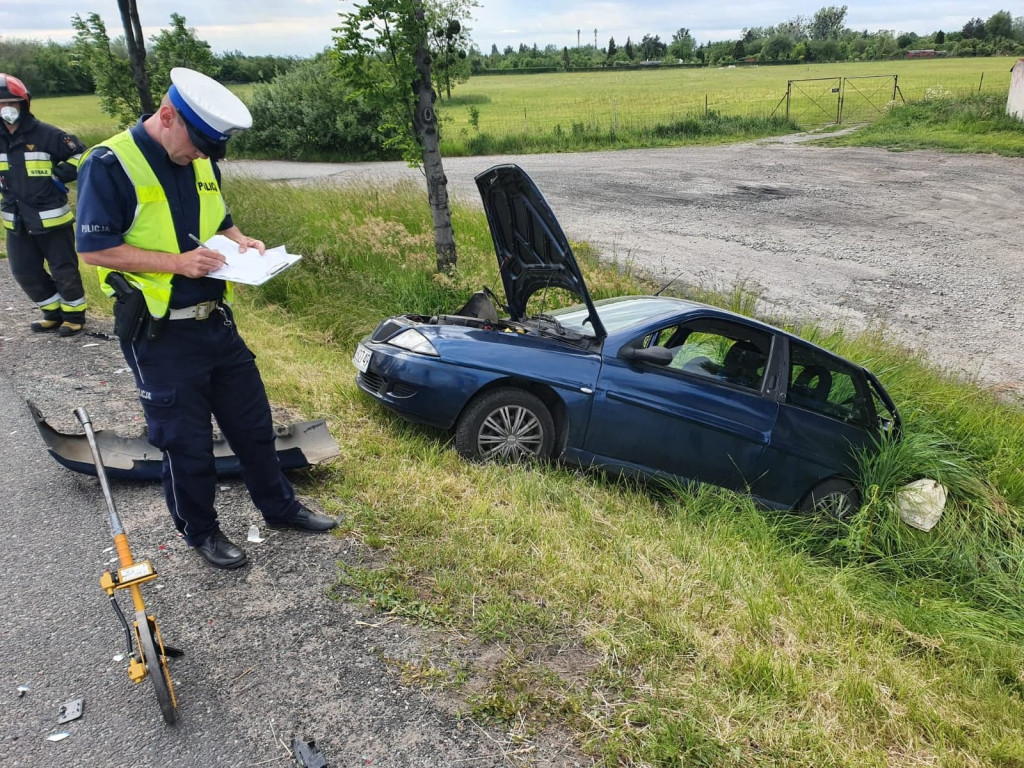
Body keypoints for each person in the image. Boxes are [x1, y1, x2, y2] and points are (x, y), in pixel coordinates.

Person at [75, 68, 337, 570]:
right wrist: (176, 263)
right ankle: (202, 532)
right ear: (167, 116)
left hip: (215, 321)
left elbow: (217, 217)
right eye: (194, 146)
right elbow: (95, 249)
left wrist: (242, 241)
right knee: (187, 445)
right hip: (160, 332)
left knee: (254, 425)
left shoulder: (200, 159)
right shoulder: (110, 164)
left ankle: (280, 508)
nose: (198, 157)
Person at [0, 73, 88, 336]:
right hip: (15, 219)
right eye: (1, 104)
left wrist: (58, 177)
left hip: (51, 218)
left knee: (64, 269)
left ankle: (74, 316)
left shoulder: (47, 135)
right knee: (23, 271)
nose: (6, 109)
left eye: (11, 103)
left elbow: (83, 155)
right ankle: (53, 312)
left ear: (24, 105)